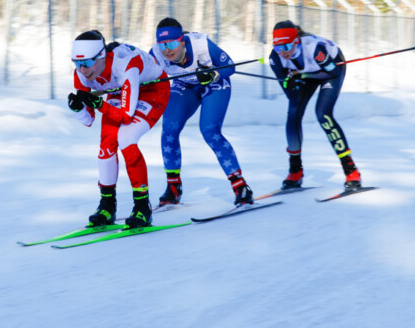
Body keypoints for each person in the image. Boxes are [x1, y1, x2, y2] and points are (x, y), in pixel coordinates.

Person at [68, 30, 170, 229]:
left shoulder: (125, 65)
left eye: (87, 63)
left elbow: (125, 115)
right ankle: (107, 206)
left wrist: (99, 104)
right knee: (106, 145)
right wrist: (78, 109)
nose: (83, 70)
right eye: (77, 64)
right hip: (119, 89)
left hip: (152, 90)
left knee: (126, 137)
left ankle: (142, 207)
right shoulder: (81, 74)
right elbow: (88, 120)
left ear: (101, 56)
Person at [149, 17, 253, 207]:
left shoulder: (200, 43)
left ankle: (240, 186)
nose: (167, 50)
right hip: (185, 85)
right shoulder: (156, 54)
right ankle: (173, 187)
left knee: (209, 131)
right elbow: (143, 79)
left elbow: (230, 67)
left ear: (182, 40)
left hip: (213, 83)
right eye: (162, 45)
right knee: (169, 129)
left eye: (172, 43)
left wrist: (213, 74)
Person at [268, 20, 362, 190]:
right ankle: (295, 171)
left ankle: (351, 171)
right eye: (277, 48)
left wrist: (301, 76)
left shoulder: (314, 48)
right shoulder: (275, 59)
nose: (283, 53)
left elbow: (332, 71)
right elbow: (290, 94)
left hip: (329, 73)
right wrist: (289, 84)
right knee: (293, 113)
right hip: (306, 74)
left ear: (296, 41)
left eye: (286, 47)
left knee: (323, 115)